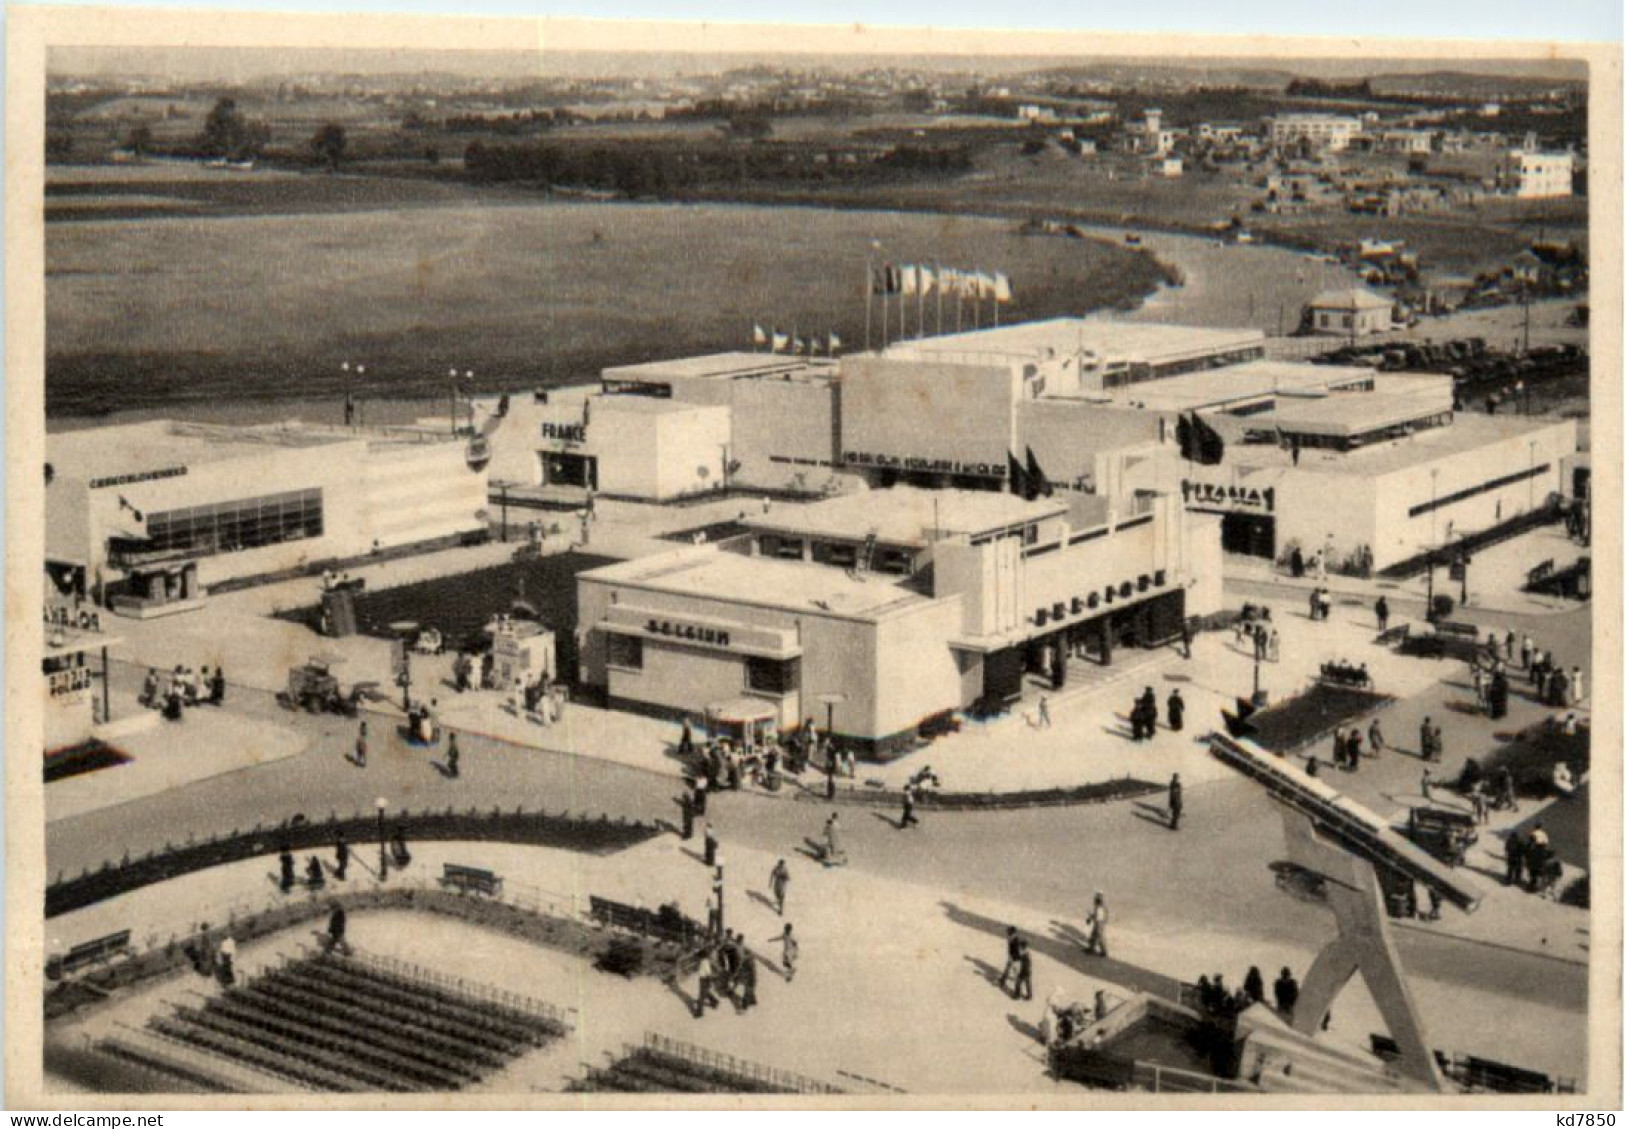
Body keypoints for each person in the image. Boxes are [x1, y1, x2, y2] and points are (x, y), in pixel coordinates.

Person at [1084, 893, 1109, 959]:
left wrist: (1090, 918)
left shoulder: (1100, 908)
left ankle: (1103, 951)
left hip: (1099, 924)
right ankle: (1091, 948)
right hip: (1099, 923)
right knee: (1094, 936)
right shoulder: (1100, 906)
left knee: (1099, 937)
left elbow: (1098, 917)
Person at [1000, 926, 1022, 995]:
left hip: (1016, 960)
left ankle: (1017, 993)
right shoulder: (1011, 939)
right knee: (1007, 969)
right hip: (1012, 958)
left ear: (1013, 933)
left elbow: (1017, 952)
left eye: (1009, 933)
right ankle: (1003, 980)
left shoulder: (1016, 941)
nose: (1007, 935)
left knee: (1016, 976)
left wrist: (1012, 958)